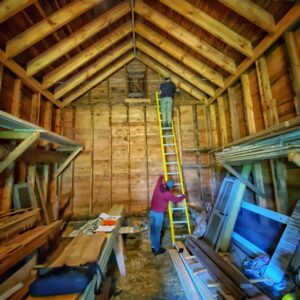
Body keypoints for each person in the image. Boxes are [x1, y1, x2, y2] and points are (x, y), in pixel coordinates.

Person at [149, 175, 185, 256]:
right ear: (171, 187)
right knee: (157, 232)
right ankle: (157, 250)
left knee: (153, 230)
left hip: (151, 212)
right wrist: (183, 196)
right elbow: (176, 200)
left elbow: (159, 179)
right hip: (159, 214)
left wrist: (162, 176)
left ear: (165, 183)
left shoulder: (158, 185)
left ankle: (153, 246)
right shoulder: (168, 194)